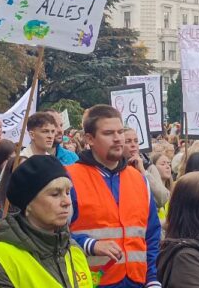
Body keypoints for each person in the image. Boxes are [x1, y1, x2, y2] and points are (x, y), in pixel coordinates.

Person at [67, 104, 162, 288]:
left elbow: (151, 235)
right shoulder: (69, 178)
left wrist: (152, 279)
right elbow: (53, 234)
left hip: (137, 282)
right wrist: (89, 244)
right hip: (89, 282)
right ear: (90, 138)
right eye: (109, 133)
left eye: (120, 132)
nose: (118, 139)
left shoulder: (139, 179)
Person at [0, 155, 92, 287]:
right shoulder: (0, 260)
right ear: (28, 203)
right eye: (55, 194)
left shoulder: (74, 250)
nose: (67, 202)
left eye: (68, 192)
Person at [123, 128, 170, 212]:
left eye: (136, 141)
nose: (133, 145)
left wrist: (143, 172)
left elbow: (162, 199)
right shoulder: (114, 169)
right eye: (128, 141)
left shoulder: (148, 167)